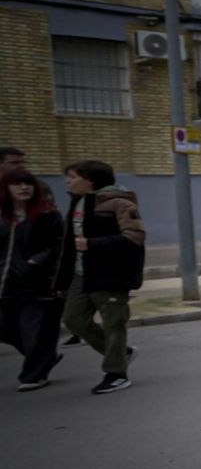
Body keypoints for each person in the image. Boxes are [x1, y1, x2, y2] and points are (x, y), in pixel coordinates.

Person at [60, 161, 144, 395]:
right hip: (81, 274)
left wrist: (92, 244)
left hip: (110, 275)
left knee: (114, 324)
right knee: (73, 320)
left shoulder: (120, 203)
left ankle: (116, 374)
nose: (68, 182)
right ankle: (121, 353)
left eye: (73, 177)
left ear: (91, 180)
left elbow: (135, 236)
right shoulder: (77, 203)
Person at [2, 167, 69, 390]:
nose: (24, 188)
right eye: (17, 184)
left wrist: (36, 261)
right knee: (5, 327)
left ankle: (33, 375)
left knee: (36, 331)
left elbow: (58, 245)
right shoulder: (3, 217)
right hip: (6, 284)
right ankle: (44, 358)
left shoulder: (47, 215)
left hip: (37, 284)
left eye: (28, 183)